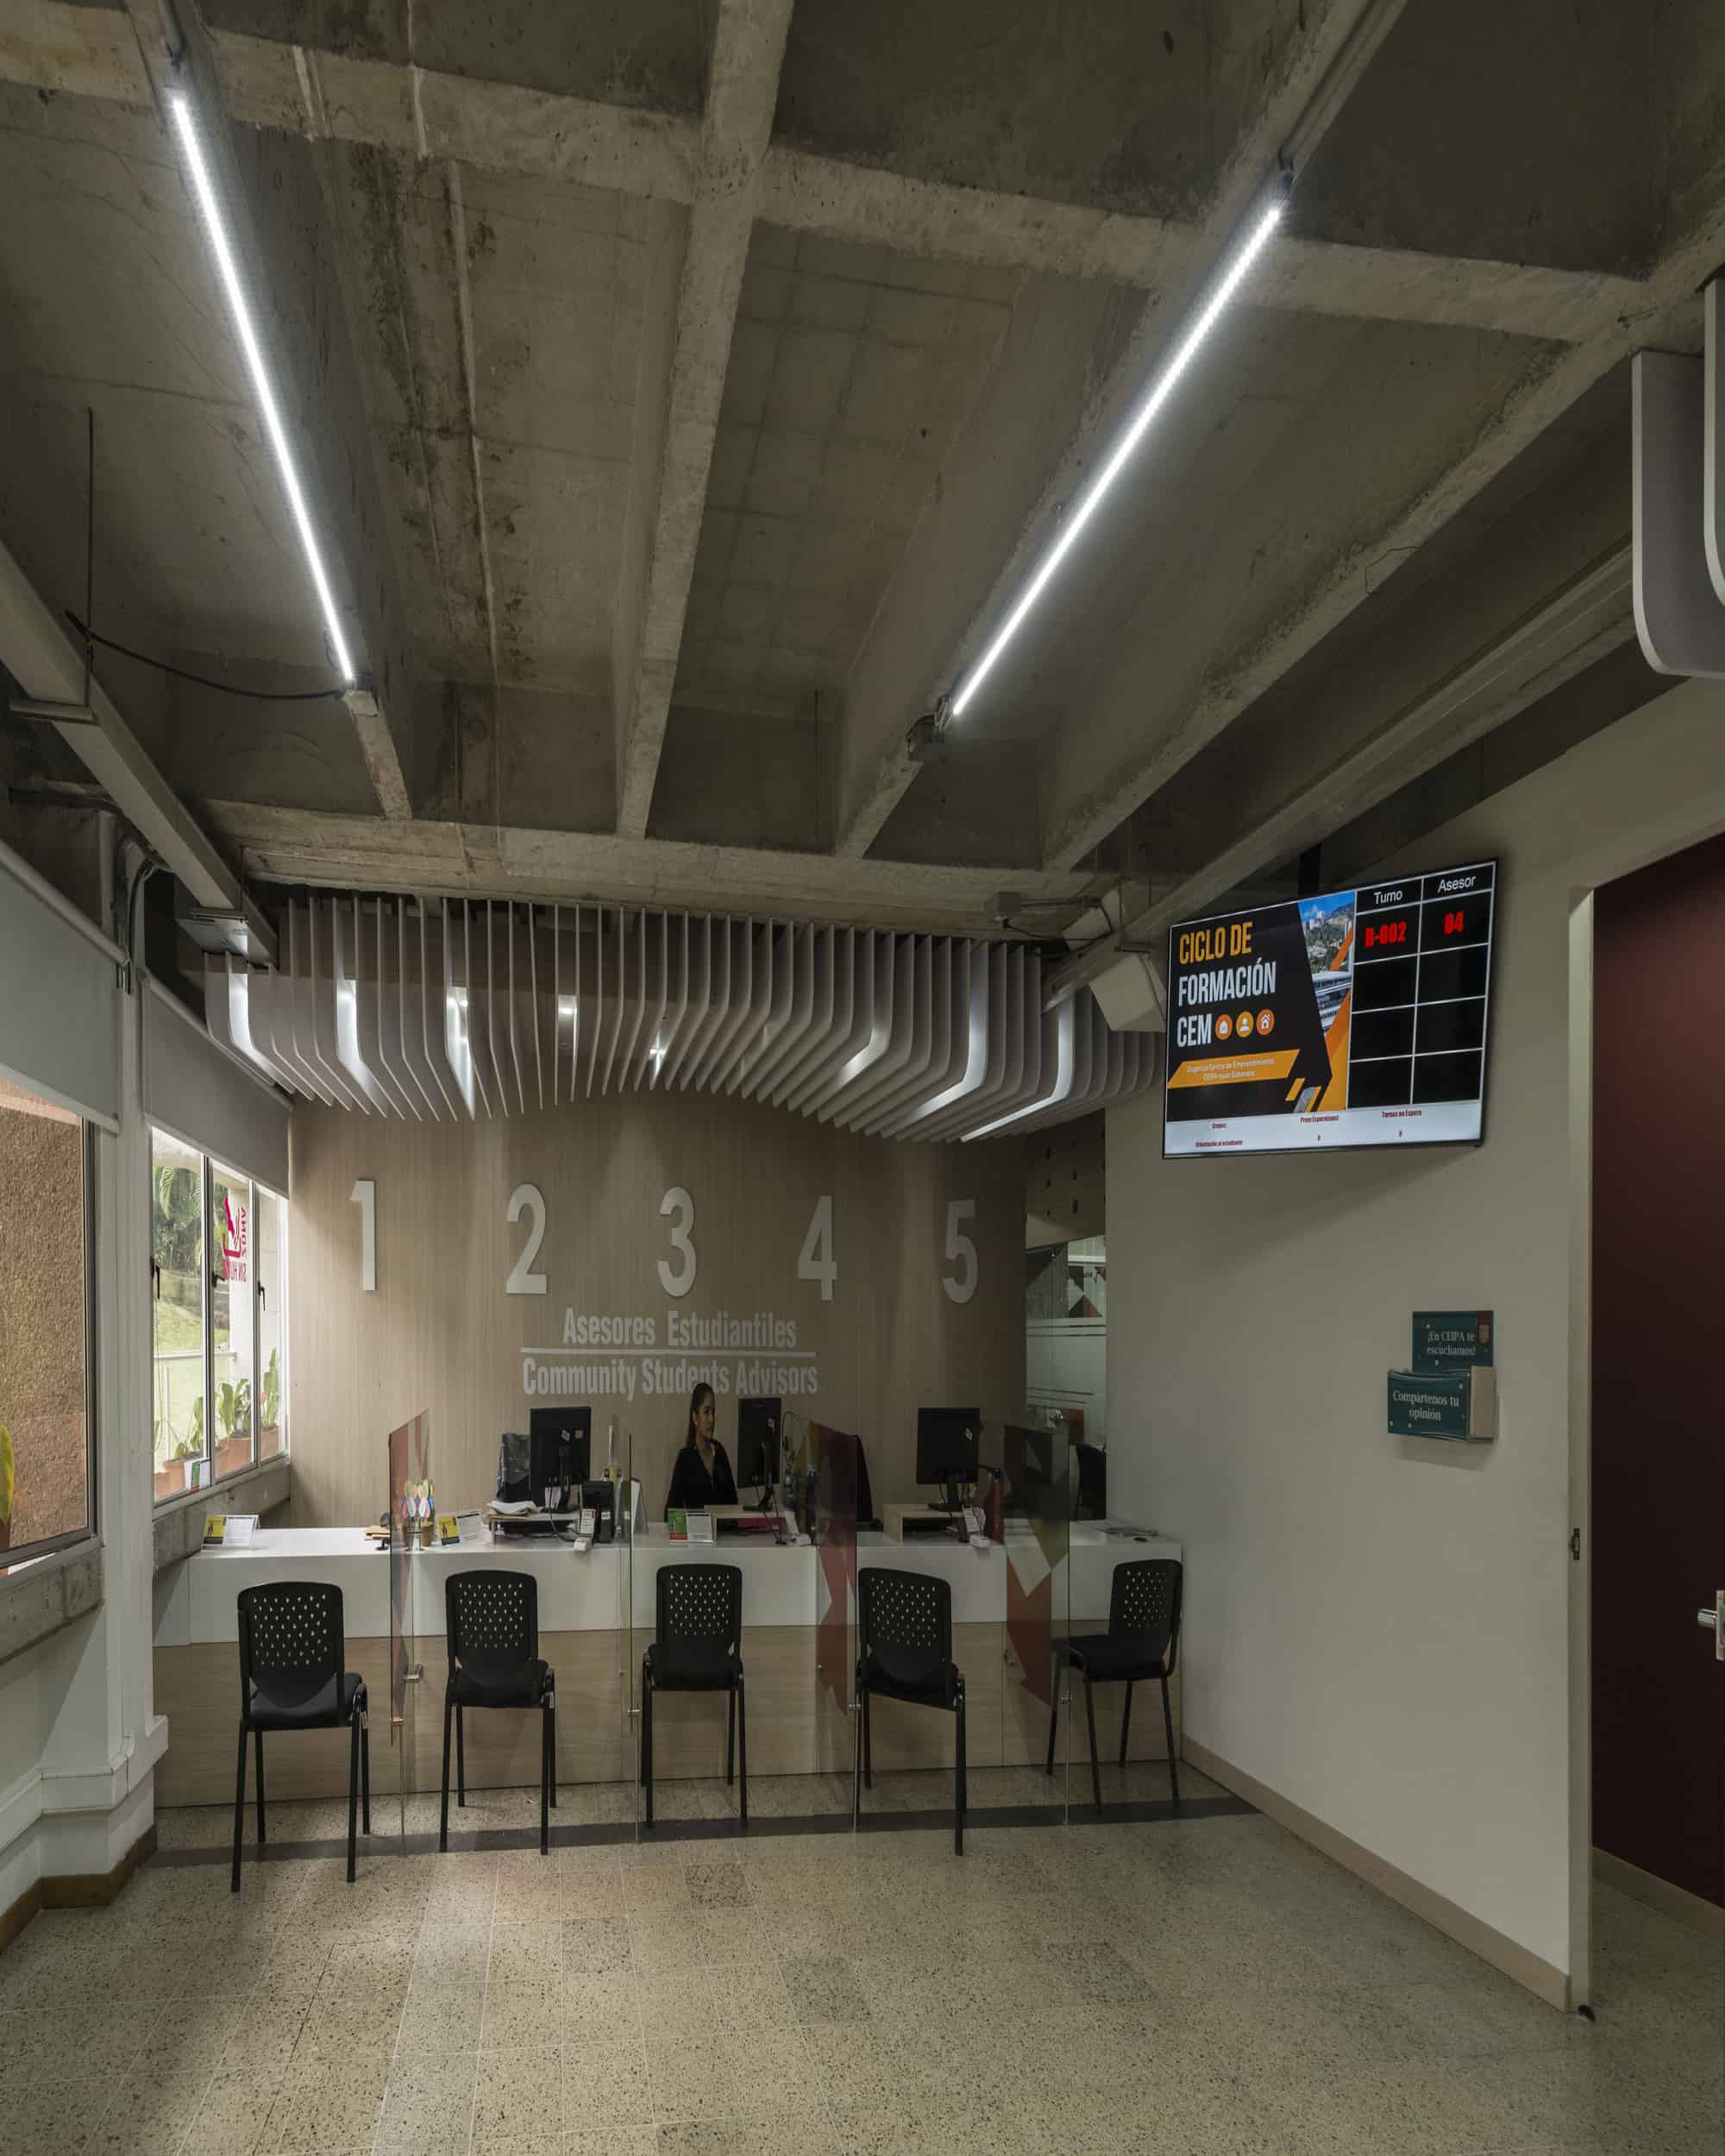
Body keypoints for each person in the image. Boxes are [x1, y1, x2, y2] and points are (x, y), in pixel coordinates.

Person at [665, 1381, 737, 1514]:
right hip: (697, 1528)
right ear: (695, 1417)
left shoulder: (720, 1451)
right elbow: (671, 1511)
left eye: (713, 1412)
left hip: (723, 1527)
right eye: (706, 1412)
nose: (711, 1419)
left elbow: (734, 1504)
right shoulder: (685, 1458)